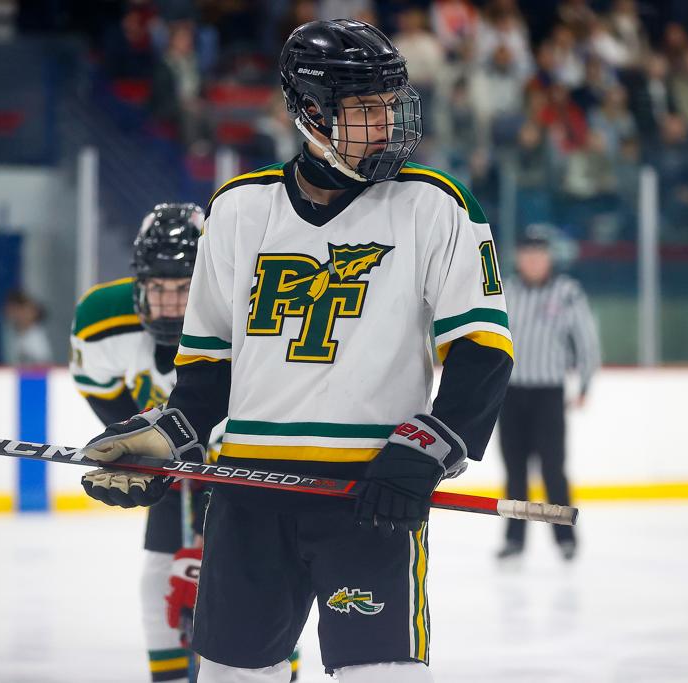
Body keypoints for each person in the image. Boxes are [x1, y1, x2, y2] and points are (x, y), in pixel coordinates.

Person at [78, 19, 513, 683]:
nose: (387, 125)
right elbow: (207, 368)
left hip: (368, 495)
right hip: (247, 495)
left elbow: (483, 349)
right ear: (310, 113)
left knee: (384, 676)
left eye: (391, 105)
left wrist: (427, 448)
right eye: (364, 109)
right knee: (229, 677)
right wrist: (164, 438)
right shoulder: (238, 209)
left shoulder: (435, 205)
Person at [70, 204, 215, 683]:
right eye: (158, 289)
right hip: (167, 459)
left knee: (255, 577)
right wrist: (136, 448)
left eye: (183, 289)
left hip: (242, 464)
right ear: (139, 285)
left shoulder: (249, 312)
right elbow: (102, 393)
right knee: (158, 573)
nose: (170, 305)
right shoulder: (100, 320)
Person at [497, 232, 600, 562]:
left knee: (553, 470)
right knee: (515, 472)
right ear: (518, 257)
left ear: (549, 258)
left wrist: (585, 385)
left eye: (539, 254)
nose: (533, 260)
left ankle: (565, 538)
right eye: (527, 253)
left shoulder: (567, 292)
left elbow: (586, 340)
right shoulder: (505, 290)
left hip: (548, 396)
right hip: (510, 395)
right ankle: (514, 539)